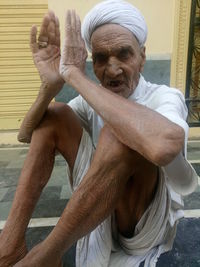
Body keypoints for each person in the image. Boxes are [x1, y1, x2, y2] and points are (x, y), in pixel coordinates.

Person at [0, 0, 198, 266]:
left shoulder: (165, 96)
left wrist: (75, 76)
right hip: (100, 211)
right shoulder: (93, 99)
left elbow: (165, 146)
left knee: (120, 134)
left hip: (143, 226)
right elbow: (27, 135)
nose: (112, 69)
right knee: (56, 114)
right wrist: (50, 88)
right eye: (101, 58)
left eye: (124, 54)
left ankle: (44, 258)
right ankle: (10, 246)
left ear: (142, 57)